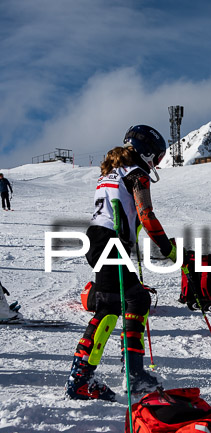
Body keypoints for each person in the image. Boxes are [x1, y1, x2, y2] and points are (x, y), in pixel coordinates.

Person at [66, 125, 177, 401]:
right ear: (148, 153)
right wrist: (167, 248)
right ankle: (124, 376)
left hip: (98, 238)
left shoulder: (111, 172)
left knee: (118, 303)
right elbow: (146, 213)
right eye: (158, 157)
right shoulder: (137, 174)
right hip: (109, 241)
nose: (157, 163)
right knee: (128, 302)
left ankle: (96, 375)